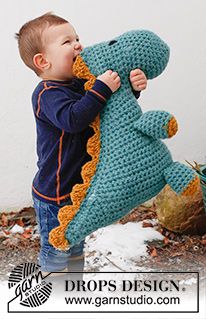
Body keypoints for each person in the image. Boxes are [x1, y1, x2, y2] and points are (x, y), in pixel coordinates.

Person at [16, 12, 147, 273]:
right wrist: (101, 88)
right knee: (56, 251)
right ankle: (53, 294)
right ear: (43, 61)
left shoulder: (81, 85)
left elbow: (105, 111)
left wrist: (132, 89)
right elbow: (74, 118)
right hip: (55, 195)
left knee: (75, 245)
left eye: (77, 38)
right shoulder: (47, 94)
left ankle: (72, 290)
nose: (78, 44)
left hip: (78, 191)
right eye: (66, 42)